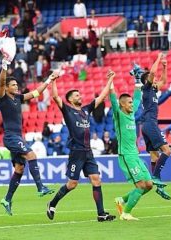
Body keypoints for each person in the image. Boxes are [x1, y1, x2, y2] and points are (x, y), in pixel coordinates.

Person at [46, 70, 115, 222]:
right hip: (76, 153)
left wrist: (110, 80)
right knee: (72, 184)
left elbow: (102, 96)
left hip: (88, 152)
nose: (80, 96)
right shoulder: (68, 110)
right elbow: (55, 97)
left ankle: (101, 213)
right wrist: (54, 81)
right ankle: (52, 203)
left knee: (96, 180)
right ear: (70, 99)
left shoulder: (86, 110)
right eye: (76, 95)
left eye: (80, 94)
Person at [0, 58, 56, 216]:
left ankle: (7, 199)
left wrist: (49, 80)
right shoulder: (3, 97)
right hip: (11, 137)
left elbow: (37, 93)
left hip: (17, 136)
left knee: (20, 168)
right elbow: (2, 82)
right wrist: (4, 66)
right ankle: (40, 187)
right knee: (31, 154)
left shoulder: (18, 98)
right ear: (7, 87)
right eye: (13, 85)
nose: (16, 87)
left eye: (17, 85)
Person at [108, 69, 153, 221]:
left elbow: (138, 97)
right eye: (129, 103)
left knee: (149, 185)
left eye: (131, 103)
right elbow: (113, 100)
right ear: (122, 105)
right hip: (126, 156)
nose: (132, 105)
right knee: (140, 185)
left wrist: (138, 79)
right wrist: (111, 82)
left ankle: (121, 200)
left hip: (135, 155)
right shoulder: (119, 115)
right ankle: (126, 213)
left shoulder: (131, 114)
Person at [138, 53, 171, 200]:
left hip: (146, 125)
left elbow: (163, 80)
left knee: (154, 155)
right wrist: (158, 58)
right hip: (150, 123)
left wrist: (165, 66)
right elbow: (152, 73)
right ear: (147, 81)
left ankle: (158, 186)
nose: (157, 80)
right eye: (154, 79)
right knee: (167, 150)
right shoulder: (146, 89)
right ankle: (156, 176)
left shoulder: (153, 91)